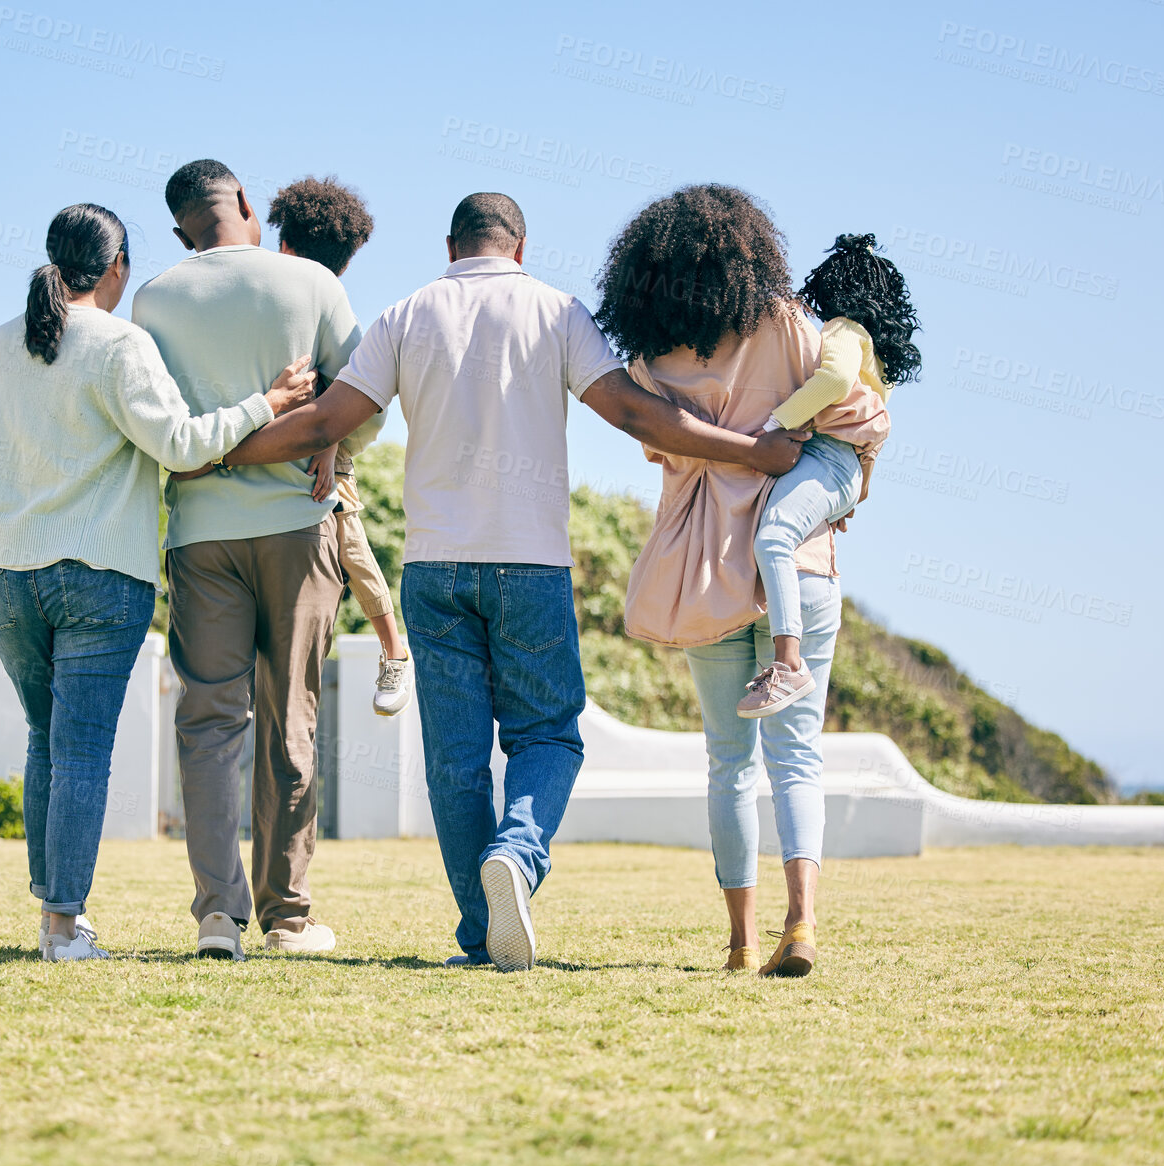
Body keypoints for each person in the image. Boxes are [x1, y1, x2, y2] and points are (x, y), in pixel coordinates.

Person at [200, 192, 810, 971]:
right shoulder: (554, 310)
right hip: (530, 563)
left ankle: (478, 936)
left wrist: (223, 453)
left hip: (433, 564)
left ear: (451, 246)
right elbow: (635, 415)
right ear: (519, 248)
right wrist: (749, 451)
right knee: (548, 734)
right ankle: (517, 857)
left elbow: (327, 422)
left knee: (454, 760)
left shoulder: (406, 314)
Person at [0, 202, 316, 961]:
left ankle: (54, 908)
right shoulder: (122, 343)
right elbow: (182, 445)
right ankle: (63, 925)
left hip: (3, 571)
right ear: (117, 265)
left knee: (45, 738)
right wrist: (273, 402)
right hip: (95, 577)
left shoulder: (2, 341)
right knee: (82, 748)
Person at [598, 185, 891, 978]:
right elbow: (859, 417)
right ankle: (803, 925)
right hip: (801, 563)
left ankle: (740, 941)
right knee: (798, 758)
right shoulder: (794, 325)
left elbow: (664, 452)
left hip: (707, 571)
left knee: (729, 763)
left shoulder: (651, 363)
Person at [131, 160, 382, 961]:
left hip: (198, 535)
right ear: (245, 202)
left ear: (180, 232)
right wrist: (328, 439)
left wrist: (217, 455)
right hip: (297, 525)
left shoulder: (153, 298)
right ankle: (288, 916)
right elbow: (367, 393)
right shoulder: (309, 281)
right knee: (291, 719)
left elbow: (163, 434)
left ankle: (216, 917)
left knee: (208, 721)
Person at [738, 233, 921, 719]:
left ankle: (788, 663)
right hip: (845, 470)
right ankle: (787, 660)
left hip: (827, 457)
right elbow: (874, 435)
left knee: (773, 539)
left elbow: (835, 382)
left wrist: (778, 421)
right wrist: (856, 495)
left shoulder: (843, 327)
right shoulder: (876, 353)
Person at [266, 175, 412, 716]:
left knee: (349, 546)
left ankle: (395, 649)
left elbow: (356, 382)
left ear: (283, 243)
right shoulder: (286, 294)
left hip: (325, 445)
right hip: (292, 439)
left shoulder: (323, 300)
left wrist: (329, 442)